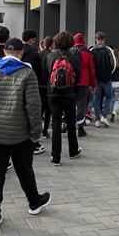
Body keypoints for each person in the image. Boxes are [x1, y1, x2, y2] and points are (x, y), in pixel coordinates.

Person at [0, 38, 51, 230]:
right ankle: (34, 202)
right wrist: (36, 133)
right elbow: (33, 106)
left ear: (5, 51)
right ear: (21, 53)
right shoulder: (27, 73)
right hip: (20, 133)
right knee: (24, 169)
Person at [46, 31, 81, 165]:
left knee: (55, 124)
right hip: (69, 94)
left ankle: (56, 156)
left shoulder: (50, 56)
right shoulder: (74, 57)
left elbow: (47, 74)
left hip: (53, 94)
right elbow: (78, 77)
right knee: (71, 123)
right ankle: (73, 150)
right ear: (71, 43)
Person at [70, 33, 97, 135]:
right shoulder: (88, 54)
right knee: (82, 105)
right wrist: (93, 84)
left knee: (71, 104)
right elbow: (91, 70)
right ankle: (80, 127)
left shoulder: (70, 52)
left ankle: (68, 124)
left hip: (72, 82)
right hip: (84, 82)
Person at [89, 33, 116, 128]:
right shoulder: (108, 49)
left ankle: (97, 119)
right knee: (109, 97)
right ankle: (104, 116)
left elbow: (90, 65)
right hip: (107, 78)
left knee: (97, 98)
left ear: (95, 39)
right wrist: (109, 73)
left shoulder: (92, 50)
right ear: (104, 39)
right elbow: (114, 64)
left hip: (96, 79)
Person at [39, 36, 53, 136]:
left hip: (39, 84)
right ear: (52, 44)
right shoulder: (51, 55)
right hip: (48, 85)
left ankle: (37, 129)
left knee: (40, 109)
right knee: (48, 109)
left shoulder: (39, 54)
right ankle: (45, 130)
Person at [110, 47, 119, 122]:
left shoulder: (110, 63)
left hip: (111, 83)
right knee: (118, 100)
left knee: (112, 99)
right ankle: (114, 112)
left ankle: (112, 112)